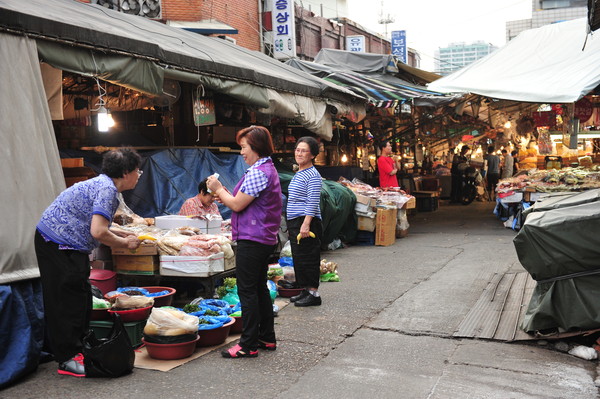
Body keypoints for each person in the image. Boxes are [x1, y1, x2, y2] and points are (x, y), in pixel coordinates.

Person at [34, 148, 143, 377]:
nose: (139, 174)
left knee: (81, 295)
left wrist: (122, 235)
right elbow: (98, 231)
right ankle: (67, 358)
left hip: (67, 243)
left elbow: (100, 225)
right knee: (67, 299)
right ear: (125, 173)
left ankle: (78, 348)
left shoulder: (105, 185)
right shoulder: (106, 189)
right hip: (56, 242)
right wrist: (126, 244)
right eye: (137, 170)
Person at [207, 126, 282, 359]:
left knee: (247, 291)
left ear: (256, 147)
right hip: (260, 236)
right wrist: (223, 193)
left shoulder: (260, 172)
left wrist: (218, 189)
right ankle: (266, 337)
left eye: (244, 147)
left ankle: (247, 344)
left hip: (254, 238)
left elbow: (237, 204)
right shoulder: (264, 169)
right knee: (258, 289)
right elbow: (242, 202)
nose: (241, 152)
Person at [287, 137, 323, 307]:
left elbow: (313, 200)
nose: (299, 153)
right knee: (299, 257)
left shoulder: (313, 175)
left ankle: (314, 294)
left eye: (304, 151)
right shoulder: (299, 172)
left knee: (309, 257)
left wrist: (306, 223)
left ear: (312, 155)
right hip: (296, 220)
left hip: (306, 220)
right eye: (297, 150)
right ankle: (305, 290)